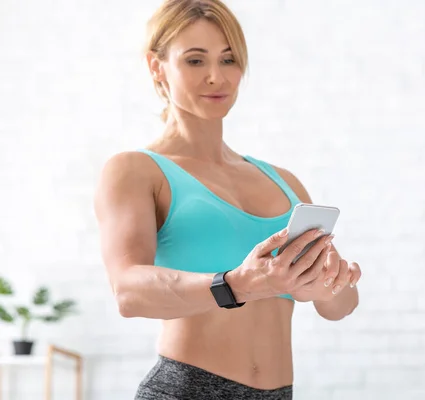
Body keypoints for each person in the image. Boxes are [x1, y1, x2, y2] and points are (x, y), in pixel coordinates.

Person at [93, 0, 362, 399]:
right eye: (196, 61)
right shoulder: (136, 170)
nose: (216, 77)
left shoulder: (284, 182)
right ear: (157, 66)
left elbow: (341, 307)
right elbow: (128, 291)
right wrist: (235, 285)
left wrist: (325, 286)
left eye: (229, 59)